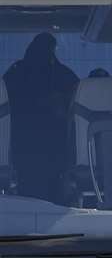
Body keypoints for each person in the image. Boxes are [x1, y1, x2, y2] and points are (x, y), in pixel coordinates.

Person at [4, 33, 79, 202]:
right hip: (53, 144)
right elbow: (77, 98)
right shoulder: (63, 74)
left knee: (28, 187)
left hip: (23, 144)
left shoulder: (16, 72)